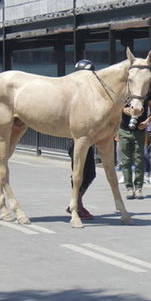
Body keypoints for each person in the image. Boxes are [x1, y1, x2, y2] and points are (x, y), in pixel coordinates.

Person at [66, 58, 97, 220]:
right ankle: (76, 204)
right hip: (75, 141)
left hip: (87, 140)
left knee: (90, 173)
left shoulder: (91, 94)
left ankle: (76, 202)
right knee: (78, 173)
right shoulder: (72, 93)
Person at [119, 93, 151, 200]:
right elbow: (114, 107)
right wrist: (123, 110)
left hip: (139, 131)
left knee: (139, 159)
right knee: (125, 161)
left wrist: (147, 122)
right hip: (124, 130)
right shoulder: (124, 92)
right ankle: (129, 188)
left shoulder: (146, 94)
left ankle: (138, 188)